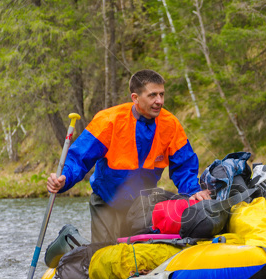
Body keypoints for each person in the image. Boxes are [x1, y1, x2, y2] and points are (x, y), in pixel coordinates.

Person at [47, 69, 210, 243]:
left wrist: (193, 191)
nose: (159, 101)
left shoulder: (171, 125)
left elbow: (184, 166)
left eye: (162, 94)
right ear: (135, 98)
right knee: (105, 257)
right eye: (152, 95)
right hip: (106, 202)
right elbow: (79, 157)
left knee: (139, 260)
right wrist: (64, 178)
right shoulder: (108, 120)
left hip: (143, 206)